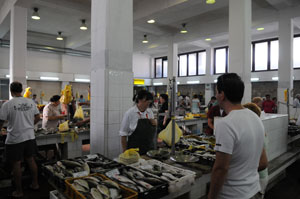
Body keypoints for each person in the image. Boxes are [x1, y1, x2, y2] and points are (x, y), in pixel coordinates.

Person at [208, 73, 266, 199]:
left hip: (233, 195)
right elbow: (263, 162)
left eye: (217, 92)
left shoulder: (226, 124)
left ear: (222, 95)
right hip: (254, 191)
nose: (216, 96)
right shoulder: (255, 118)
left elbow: (220, 168)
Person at [0, 82, 40, 198]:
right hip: (30, 136)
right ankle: (35, 184)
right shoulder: (30, 102)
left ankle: (19, 191)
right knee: (31, 160)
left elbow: (1, 121)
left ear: (11, 91)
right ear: (21, 90)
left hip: (15, 139)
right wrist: (29, 125)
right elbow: (38, 117)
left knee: (16, 163)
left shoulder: (8, 104)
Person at [243, 103, 269, 199]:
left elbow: (262, 163)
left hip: (257, 178)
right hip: (259, 177)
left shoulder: (256, 133)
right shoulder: (258, 129)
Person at [120, 90, 157, 155]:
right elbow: (123, 134)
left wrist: (155, 123)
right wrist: (125, 152)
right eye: (146, 102)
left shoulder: (149, 112)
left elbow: (152, 129)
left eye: (149, 103)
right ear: (139, 100)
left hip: (149, 149)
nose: (148, 104)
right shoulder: (130, 113)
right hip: (134, 150)